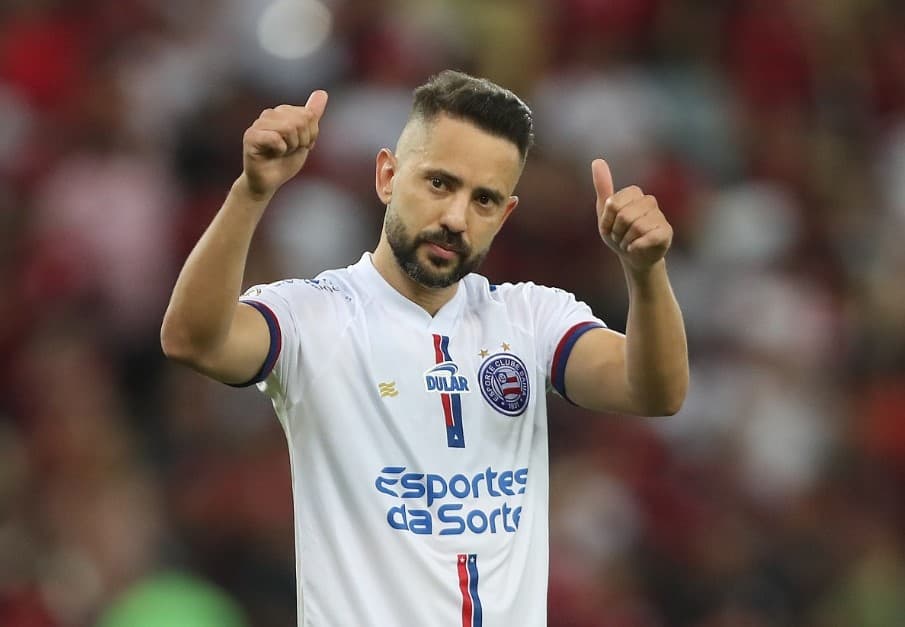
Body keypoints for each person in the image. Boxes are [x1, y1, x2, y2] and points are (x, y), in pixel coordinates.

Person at [161, 70, 688, 627]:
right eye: (440, 183)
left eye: (483, 200)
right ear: (388, 176)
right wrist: (252, 192)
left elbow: (655, 390)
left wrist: (645, 271)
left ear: (505, 214)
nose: (456, 218)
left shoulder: (532, 320)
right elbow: (192, 339)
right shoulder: (315, 316)